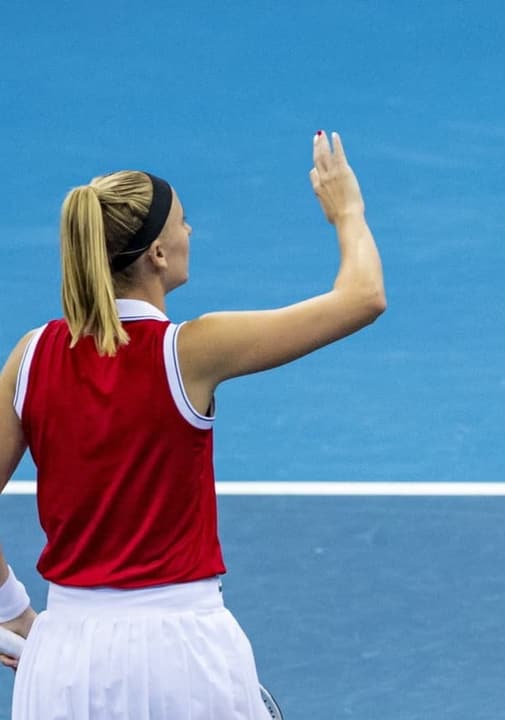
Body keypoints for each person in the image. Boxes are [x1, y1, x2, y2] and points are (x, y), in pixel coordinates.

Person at [0, 130, 385, 718]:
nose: (189, 232)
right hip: (182, 657)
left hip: (62, 665)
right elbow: (363, 296)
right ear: (156, 254)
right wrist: (347, 210)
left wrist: (12, 610)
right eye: (182, 222)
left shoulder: (29, 357)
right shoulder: (191, 351)